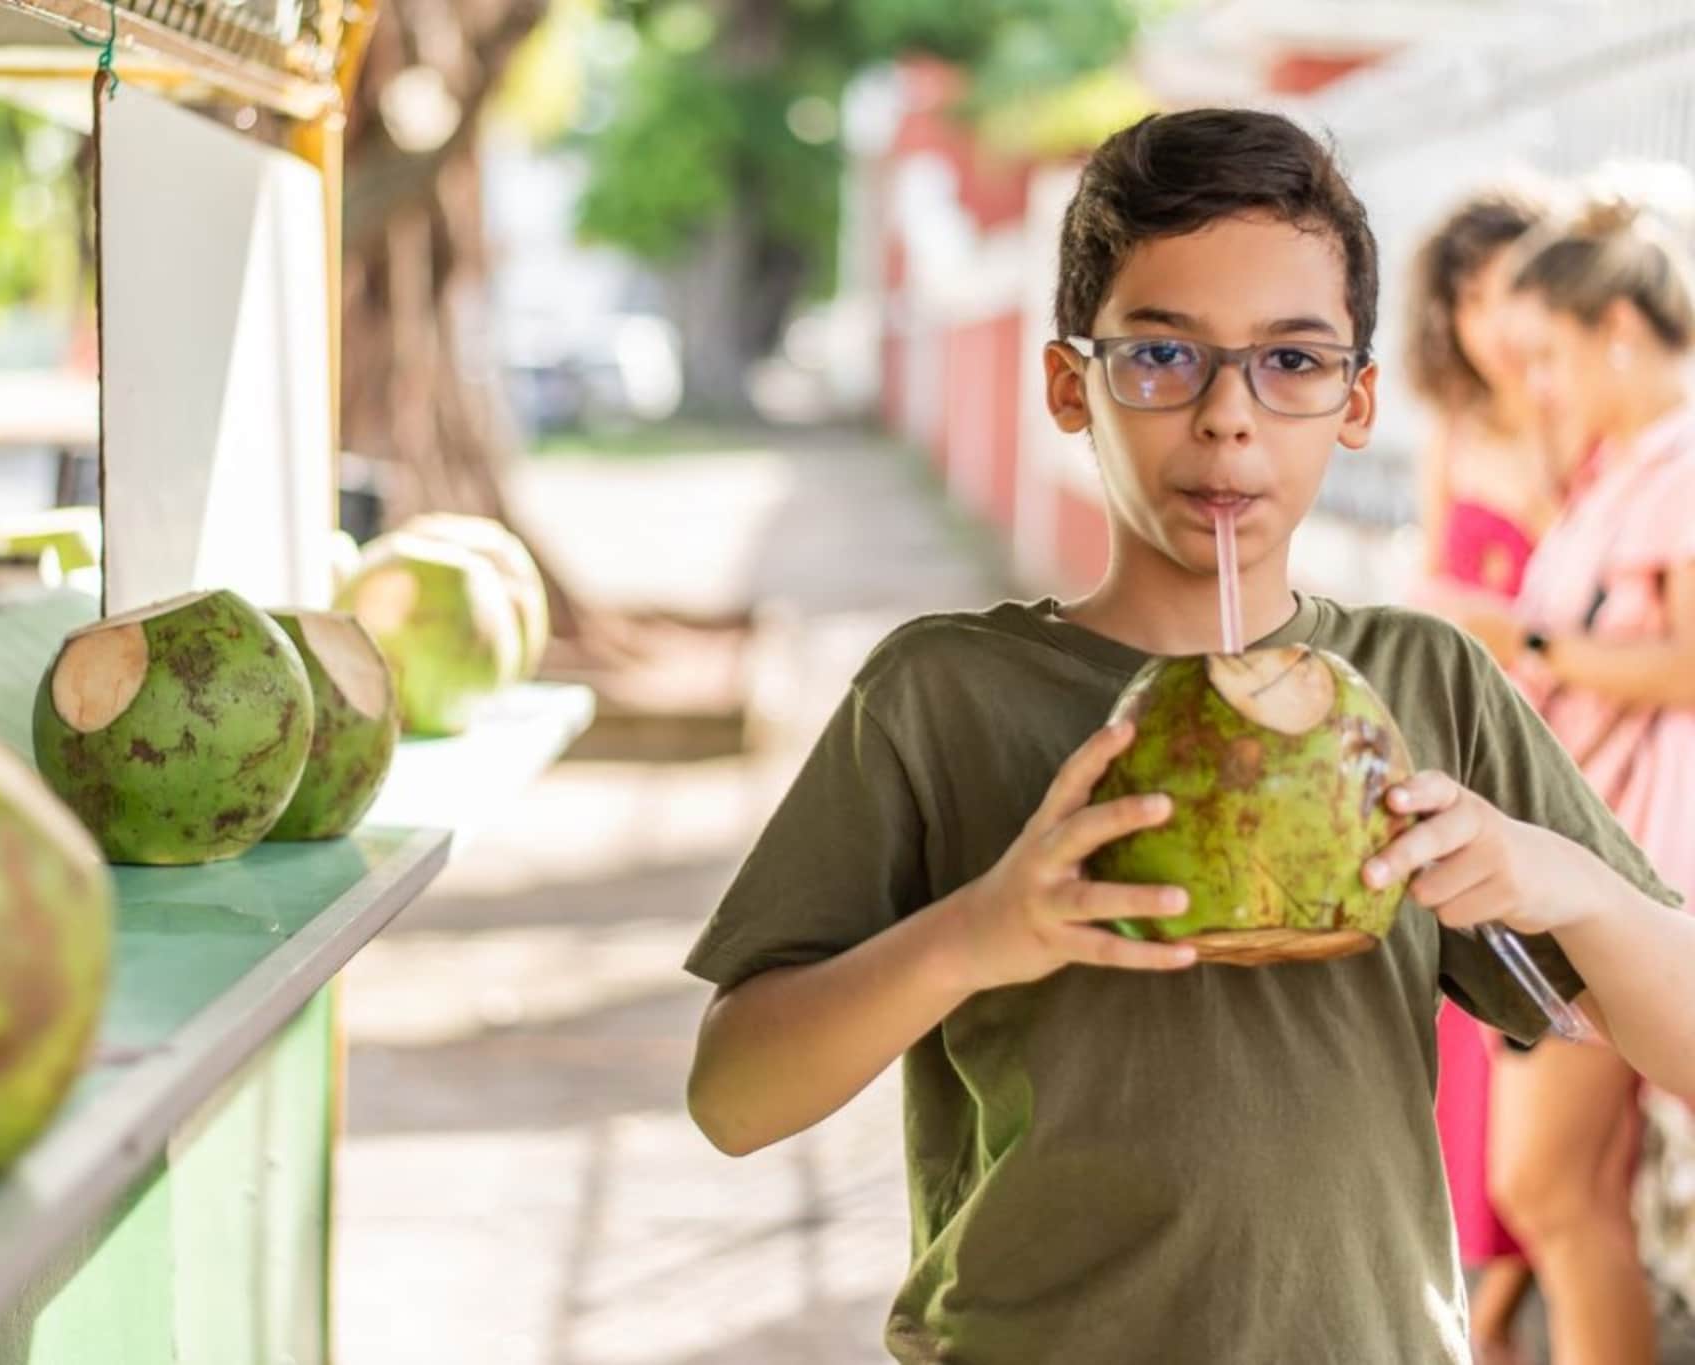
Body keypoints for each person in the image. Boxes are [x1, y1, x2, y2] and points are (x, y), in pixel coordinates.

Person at [681, 109, 1695, 1364]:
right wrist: (978, 931)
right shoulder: (942, 697)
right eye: (1160, 355)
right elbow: (730, 1098)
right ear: (1070, 384)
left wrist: (1569, 884)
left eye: (1291, 362)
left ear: (1357, 400)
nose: (1227, 418)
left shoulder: (1420, 682)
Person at [1459, 186, 1695, 1365]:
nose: (1537, 388)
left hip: (1634, 873)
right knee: (1560, 1189)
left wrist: (1525, 646)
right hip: (1592, 863)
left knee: (1547, 1186)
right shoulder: (1623, 470)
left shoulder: (1676, 465)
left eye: (1548, 356)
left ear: (1615, 330)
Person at [1401, 184, 1564, 1364]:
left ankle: (1505, 1301)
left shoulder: (1585, 430)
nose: (1488, 318)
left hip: (1569, 758)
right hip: (1472, 749)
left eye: (1508, 284)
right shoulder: (1451, 434)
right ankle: (1485, 1290)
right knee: (1469, 1018)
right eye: (1464, 295)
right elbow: (1427, 595)